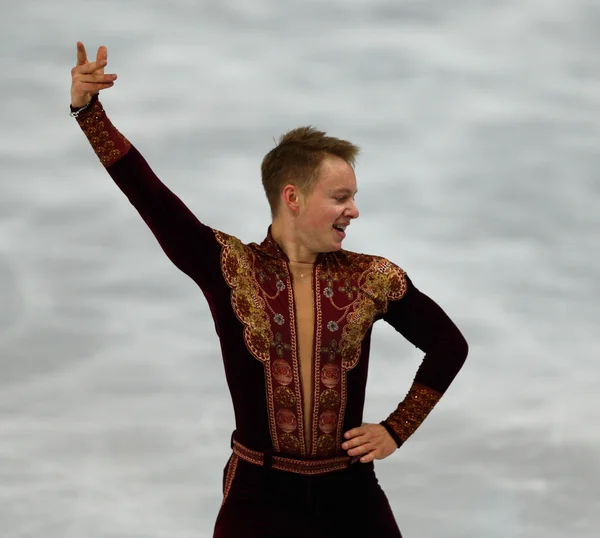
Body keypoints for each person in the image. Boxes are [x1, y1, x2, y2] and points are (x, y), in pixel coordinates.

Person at [70, 42, 469, 538]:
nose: (354, 210)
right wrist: (89, 114)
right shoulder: (230, 267)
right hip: (259, 493)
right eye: (340, 197)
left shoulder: (371, 278)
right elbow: (150, 194)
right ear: (293, 198)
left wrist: (396, 428)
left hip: (349, 490)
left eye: (354, 198)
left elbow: (449, 344)